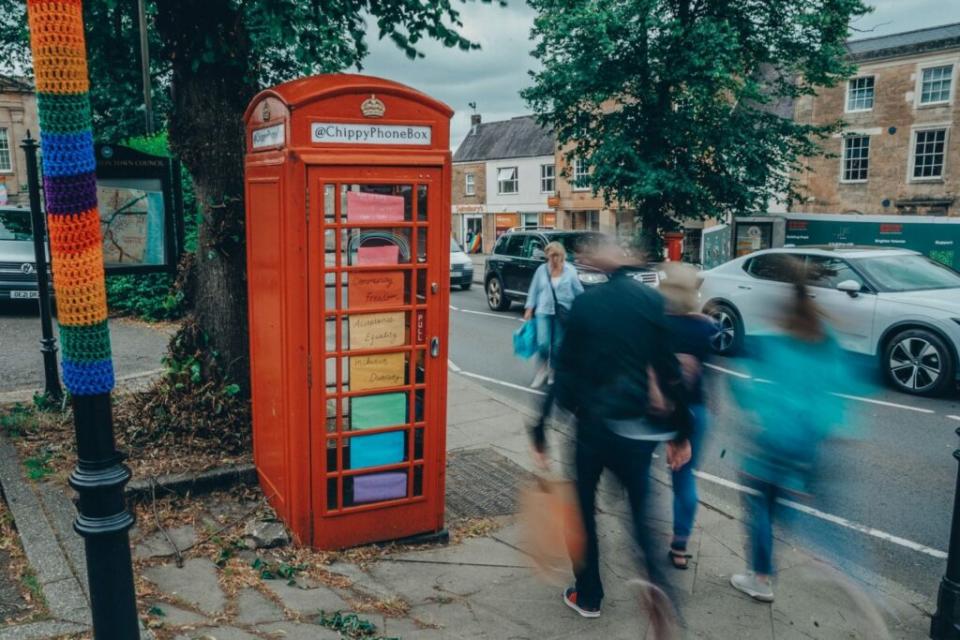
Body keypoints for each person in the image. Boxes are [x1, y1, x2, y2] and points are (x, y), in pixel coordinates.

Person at [529, 242, 692, 626]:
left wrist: (540, 429)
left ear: (599, 267)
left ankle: (588, 594)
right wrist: (681, 432)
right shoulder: (649, 303)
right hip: (636, 431)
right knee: (640, 515)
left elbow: (563, 371)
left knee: (583, 511)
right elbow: (669, 370)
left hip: (592, 429)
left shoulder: (587, 304)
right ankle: (658, 587)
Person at [729, 256, 858, 603]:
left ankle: (761, 577)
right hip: (809, 441)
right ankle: (837, 564)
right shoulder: (824, 338)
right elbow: (840, 386)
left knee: (759, 506)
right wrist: (837, 426)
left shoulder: (775, 340)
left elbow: (756, 393)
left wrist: (742, 396)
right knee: (789, 501)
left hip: (773, 440)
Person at [658, 263, 716, 570]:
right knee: (685, 478)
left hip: (657, 410)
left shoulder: (656, 325)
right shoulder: (706, 326)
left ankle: (643, 529)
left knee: (640, 472)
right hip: (696, 410)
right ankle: (679, 545)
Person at [523, 241, 583, 388]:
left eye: (556, 256)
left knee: (557, 345)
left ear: (561, 255)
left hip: (562, 311)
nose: (553, 260)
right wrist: (529, 308)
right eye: (550, 257)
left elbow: (578, 291)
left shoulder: (570, 270)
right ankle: (541, 370)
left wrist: (583, 308)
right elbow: (534, 289)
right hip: (543, 310)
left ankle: (553, 371)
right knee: (543, 343)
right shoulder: (542, 270)